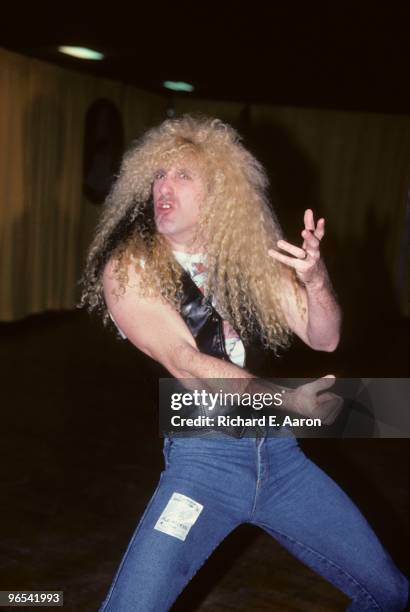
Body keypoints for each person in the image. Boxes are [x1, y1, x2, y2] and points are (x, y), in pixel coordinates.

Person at [80, 115, 408, 611]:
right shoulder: (131, 266)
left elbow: (326, 337)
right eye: (158, 175)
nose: (163, 186)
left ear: (219, 192)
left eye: (182, 175)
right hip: (204, 465)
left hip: (282, 460)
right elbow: (187, 363)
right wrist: (287, 399)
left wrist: (316, 282)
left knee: (390, 593)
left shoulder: (248, 259)